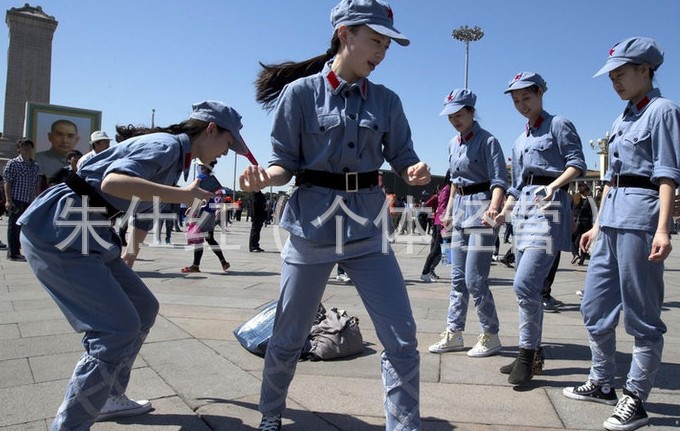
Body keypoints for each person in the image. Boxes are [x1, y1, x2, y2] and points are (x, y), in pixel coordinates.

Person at [239, 1, 430, 429]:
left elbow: (402, 157)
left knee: (402, 336)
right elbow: (283, 161)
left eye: (387, 45)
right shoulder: (301, 94)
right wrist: (264, 180)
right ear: (345, 34)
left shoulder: (387, 100)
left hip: (367, 230)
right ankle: (271, 414)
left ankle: (404, 425)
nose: (382, 52)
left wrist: (413, 171)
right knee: (289, 334)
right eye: (376, 41)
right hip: (312, 229)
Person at [18, 100, 251, 430]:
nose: (227, 152)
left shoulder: (178, 158)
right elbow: (113, 183)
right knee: (116, 331)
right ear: (211, 130)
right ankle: (69, 425)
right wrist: (181, 196)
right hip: (59, 232)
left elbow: (141, 209)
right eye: (229, 143)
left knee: (143, 308)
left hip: (91, 233)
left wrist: (131, 253)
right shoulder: (167, 145)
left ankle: (110, 395)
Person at [563, 36, 680, 431]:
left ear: (645, 70)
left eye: (621, 73)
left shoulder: (662, 111)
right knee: (594, 308)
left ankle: (636, 397)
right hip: (611, 222)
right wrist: (596, 223)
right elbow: (611, 178)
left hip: (641, 220)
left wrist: (663, 228)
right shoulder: (621, 119)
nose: (615, 81)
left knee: (642, 316)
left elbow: (667, 175)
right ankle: (602, 381)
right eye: (611, 75)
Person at [494, 72, 586, 386]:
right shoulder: (519, 141)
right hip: (523, 212)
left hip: (549, 209)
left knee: (524, 284)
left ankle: (527, 352)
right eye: (516, 101)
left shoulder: (559, 124)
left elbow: (577, 164)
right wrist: (504, 209)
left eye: (527, 98)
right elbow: (517, 184)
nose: (521, 105)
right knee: (526, 291)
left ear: (541, 93)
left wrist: (555, 187)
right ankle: (530, 352)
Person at [428, 89, 508, 358]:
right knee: (458, 278)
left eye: (459, 114)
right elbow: (454, 183)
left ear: (472, 112)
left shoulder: (488, 142)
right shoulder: (453, 143)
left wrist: (494, 208)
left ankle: (490, 333)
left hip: (483, 207)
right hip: (461, 209)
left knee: (475, 278)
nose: (455, 120)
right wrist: (448, 212)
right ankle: (454, 332)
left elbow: (499, 180)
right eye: (451, 116)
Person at [181, 161, 231, 273]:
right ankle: (223, 261)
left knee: (198, 239)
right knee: (210, 239)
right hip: (210, 212)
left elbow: (194, 193)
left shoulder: (201, 177)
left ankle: (195, 265)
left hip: (201, 212)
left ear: (202, 167)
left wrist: (191, 207)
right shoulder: (213, 179)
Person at [3, 138, 40, 261]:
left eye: (29, 147)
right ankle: (12, 253)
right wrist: (8, 200)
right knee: (14, 226)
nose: (27, 149)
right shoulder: (13, 163)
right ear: (19, 149)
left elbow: (35, 184)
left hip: (29, 201)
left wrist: (35, 200)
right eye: (24, 146)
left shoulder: (35, 166)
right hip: (16, 199)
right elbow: (7, 182)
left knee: (24, 227)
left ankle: (19, 250)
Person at [419, 171, 451, 282]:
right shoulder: (447, 189)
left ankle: (429, 271)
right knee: (436, 250)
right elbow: (442, 207)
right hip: (442, 224)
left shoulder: (446, 189)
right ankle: (426, 272)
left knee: (439, 250)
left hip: (441, 223)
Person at [571, 183, 598, 265]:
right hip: (587, 223)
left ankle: (575, 254)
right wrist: (595, 223)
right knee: (584, 240)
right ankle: (582, 259)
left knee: (574, 239)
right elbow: (595, 212)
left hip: (576, 222)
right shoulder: (590, 199)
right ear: (586, 191)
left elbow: (571, 209)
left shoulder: (575, 198)